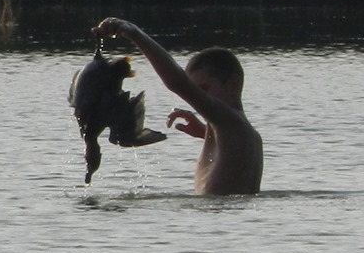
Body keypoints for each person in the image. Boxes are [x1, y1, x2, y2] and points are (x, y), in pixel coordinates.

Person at [92, 17, 263, 195]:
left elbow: (177, 82)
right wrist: (205, 133)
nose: (198, 98)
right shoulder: (248, 135)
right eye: (195, 90)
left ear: (233, 85)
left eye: (204, 89)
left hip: (218, 219)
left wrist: (134, 33)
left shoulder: (230, 121)